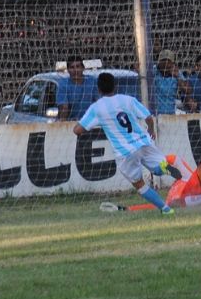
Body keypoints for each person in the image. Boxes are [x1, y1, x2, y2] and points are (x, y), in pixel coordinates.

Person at [73, 72, 183, 214]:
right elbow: (148, 117)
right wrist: (151, 130)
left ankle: (166, 209)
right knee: (156, 167)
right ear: (115, 86)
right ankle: (163, 168)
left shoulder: (97, 108)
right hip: (144, 141)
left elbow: (78, 130)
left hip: (125, 152)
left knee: (139, 184)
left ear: (98, 89)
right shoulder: (128, 100)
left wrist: (86, 123)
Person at [118, 154, 201, 211]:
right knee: (176, 203)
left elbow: (174, 159)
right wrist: (129, 209)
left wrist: (162, 164)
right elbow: (153, 206)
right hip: (191, 199)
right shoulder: (180, 182)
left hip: (195, 194)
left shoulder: (184, 176)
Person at [58, 56, 98, 121]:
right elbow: (64, 107)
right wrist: (62, 124)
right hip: (71, 123)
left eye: (78, 66)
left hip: (91, 122)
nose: (75, 70)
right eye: (72, 67)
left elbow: (99, 102)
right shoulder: (63, 84)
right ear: (68, 70)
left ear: (83, 68)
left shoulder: (92, 81)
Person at [153, 49, 191, 115]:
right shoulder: (154, 71)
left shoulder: (176, 73)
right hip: (154, 113)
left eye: (168, 62)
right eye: (163, 61)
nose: (165, 64)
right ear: (159, 62)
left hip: (170, 113)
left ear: (172, 63)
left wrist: (177, 77)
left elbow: (188, 90)